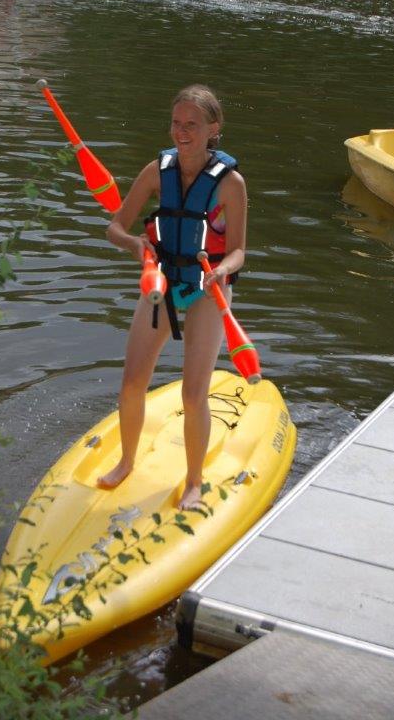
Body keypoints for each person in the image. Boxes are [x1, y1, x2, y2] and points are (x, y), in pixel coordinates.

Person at [98, 84, 247, 509]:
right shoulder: (156, 171)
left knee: (193, 392)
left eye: (192, 125)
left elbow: (239, 249)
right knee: (132, 382)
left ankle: (195, 481)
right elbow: (116, 227)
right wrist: (135, 247)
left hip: (206, 291)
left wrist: (223, 269)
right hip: (160, 285)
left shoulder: (230, 184)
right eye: (176, 124)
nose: (182, 133)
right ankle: (126, 461)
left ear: (213, 128)